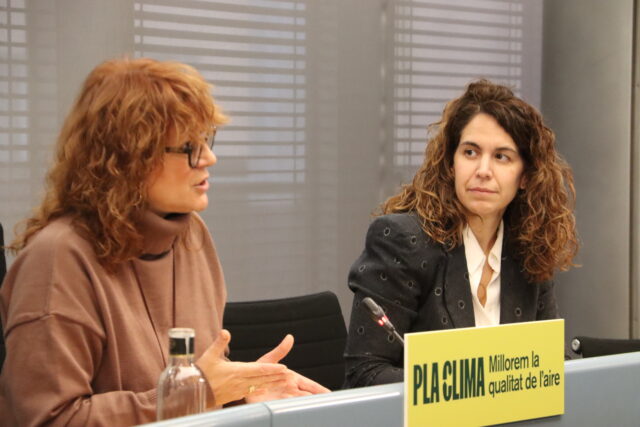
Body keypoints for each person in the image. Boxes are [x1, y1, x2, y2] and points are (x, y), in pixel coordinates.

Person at [0, 57, 327, 426]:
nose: (209, 157)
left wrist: (243, 395)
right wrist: (197, 394)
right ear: (130, 158)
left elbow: (196, 389)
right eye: (189, 146)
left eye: (206, 139)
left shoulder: (191, 236)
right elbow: (50, 420)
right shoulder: (57, 259)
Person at [343, 79, 579, 388]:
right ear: (451, 164)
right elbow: (365, 373)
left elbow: (552, 364)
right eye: (470, 152)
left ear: (525, 176)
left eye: (502, 156)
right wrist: (483, 386)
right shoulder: (403, 241)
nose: (483, 170)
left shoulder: (529, 249)